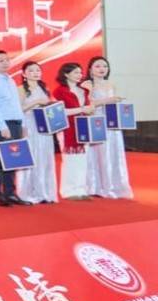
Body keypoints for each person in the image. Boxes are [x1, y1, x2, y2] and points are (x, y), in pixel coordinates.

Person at [83, 56, 133, 199]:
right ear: (90, 69)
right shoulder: (87, 84)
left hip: (112, 122)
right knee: (97, 153)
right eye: (98, 66)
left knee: (113, 152)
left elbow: (114, 102)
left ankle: (113, 185)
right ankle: (95, 186)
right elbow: (87, 104)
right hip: (96, 122)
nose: (102, 69)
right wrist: (107, 100)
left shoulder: (111, 84)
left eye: (105, 66)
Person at [0, 50, 27, 206]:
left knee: (12, 159)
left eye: (7, 59)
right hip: (0, 125)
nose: (5, 63)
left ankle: (10, 193)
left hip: (15, 123)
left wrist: (22, 124)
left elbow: (16, 104)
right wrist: (2, 126)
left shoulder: (10, 80)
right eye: (0, 60)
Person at [15, 61, 58, 204]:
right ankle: (27, 193)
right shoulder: (21, 89)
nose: (35, 73)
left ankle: (44, 192)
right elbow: (19, 110)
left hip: (44, 127)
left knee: (44, 159)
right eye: (31, 70)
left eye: (38, 70)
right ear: (24, 74)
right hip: (29, 126)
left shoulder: (44, 88)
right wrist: (36, 102)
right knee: (30, 158)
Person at [53, 62, 93, 200]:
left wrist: (88, 108)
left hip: (83, 127)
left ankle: (81, 189)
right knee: (70, 160)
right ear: (66, 74)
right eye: (76, 72)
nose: (79, 75)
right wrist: (81, 109)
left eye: (80, 72)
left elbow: (88, 108)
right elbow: (60, 111)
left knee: (83, 159)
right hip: (67, 129)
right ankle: (68, 190)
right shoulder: (59, 91)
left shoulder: (83, 90)